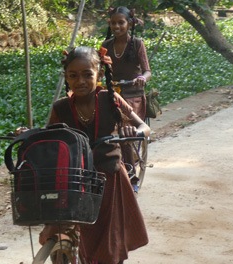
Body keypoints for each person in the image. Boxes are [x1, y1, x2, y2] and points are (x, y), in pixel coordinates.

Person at [39, 46, 150, 264]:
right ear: (66, 78)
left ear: (98, 74)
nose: (80, 81)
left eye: (87, 74)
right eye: (73, 75)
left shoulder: (111, 99)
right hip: (77, 182)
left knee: (110, 244)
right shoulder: (61, 108)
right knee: (87, 243)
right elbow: (49, 140)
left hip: (111, 179)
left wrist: (132, 131)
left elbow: (144, 128)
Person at [101, 6, 152, 121]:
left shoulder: (138, 44)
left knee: (133, 130)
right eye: (113, 23)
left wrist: (142, 78)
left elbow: (147, 72)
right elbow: (99, 69)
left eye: (121, 23)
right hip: (113, 94)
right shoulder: (106, 45)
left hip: (133, 95)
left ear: (129, 24)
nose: (116, 26)